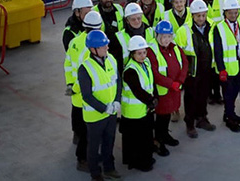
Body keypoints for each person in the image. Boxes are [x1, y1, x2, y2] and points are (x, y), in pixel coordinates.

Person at [77, 30, 122, 181]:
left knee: (109, 141)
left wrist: (116, 101)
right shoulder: (85, 68)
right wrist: (105, 108)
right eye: (103, 46)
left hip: (111, 113)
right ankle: (95, 173)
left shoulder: (111, 60)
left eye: (106, 44)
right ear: (93, 49)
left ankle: (109, 168)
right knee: (94, 146)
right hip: (95, 116)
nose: (107, 48)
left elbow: (117, 81)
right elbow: (87, 96)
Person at [64, 10, 103, 172]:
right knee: (88, 131)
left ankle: (87, 156)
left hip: (77, 94)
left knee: (84, 130)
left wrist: (70, 84)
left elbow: (68, 65)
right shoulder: (91, 46)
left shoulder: (75, 42)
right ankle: (83, 159)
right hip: (86, 95)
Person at [146, 20, 188, 156]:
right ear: (157, 36)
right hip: (162, 92)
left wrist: (180, 80)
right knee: (160, 117)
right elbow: (155, 73)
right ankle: (159, 140)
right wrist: (172, 84)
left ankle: (165, 135)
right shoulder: (152, 51)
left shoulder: (175, 47)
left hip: (173, 91)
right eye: (163, 37)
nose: (166, 40)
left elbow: (184, 63)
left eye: (169, 36)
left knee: (167, 115)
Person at [213, 0, 240, 132]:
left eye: (235, 12)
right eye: (230, 13)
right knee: (228, 94)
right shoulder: (219, 28)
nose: (233, 15)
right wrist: (221, 69)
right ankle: (229, 118)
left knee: (235, 92)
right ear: (225, 13)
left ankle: (230, 113)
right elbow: (217, 50)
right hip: (227, 68)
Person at [120, 36, 157, 172]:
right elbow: (137, 91)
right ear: (132, 54)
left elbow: (150, 83)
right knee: (137, 139)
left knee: (146, 137)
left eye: (144, 52)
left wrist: (153, 98)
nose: (143, 56)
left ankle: (145, 158)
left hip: (144, 109)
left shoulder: (146, 63)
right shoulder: (130, 70)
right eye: (139, 53)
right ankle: (140, 162)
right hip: (134, 112)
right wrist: (151, 100)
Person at [183, 0, 216, 138]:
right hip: (192, 71)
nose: (201, 18)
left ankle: (202, 118)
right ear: (192, 16)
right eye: (198, 16)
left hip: (207, 67)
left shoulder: (212, 26)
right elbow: (179, 52)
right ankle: (190, 123)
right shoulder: (184, 31)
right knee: (191, 97)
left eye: (203, 15)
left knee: (203, 94)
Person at [114, 3, 156, 73]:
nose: (137, 21)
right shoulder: (119, 37)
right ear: (127, 20)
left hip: (151, 72)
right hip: (131, 73)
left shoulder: (151, 31)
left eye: (139, 18)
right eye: (133, 19)